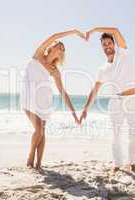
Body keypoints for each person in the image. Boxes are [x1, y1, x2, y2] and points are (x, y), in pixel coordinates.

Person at [80, 27, 135, 173]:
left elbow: (115, 30)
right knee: (116, 134)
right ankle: (117, 164)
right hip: (115, 102)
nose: (107, 46)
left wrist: (94, 30)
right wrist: (85, 108)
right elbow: (95, 89)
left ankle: (132, 162)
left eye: (109, 43)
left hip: (132, 99)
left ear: (114, 44)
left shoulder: (123, 53)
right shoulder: (103, 68)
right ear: (102, 47)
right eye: (104, 44)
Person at [20, 29, 85, 169]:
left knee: (42, 131)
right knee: (39, 129)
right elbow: (54, 36)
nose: (60, 49)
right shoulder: (38, 55)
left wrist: (74, 113)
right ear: (52, 46)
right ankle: (30, 157)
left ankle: (38, 164)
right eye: (58, 45)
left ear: (61, 54)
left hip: (43, 101)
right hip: (28, 98)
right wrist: (74, 32)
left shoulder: (55, 71)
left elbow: (63, 92)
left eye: (62, 49)